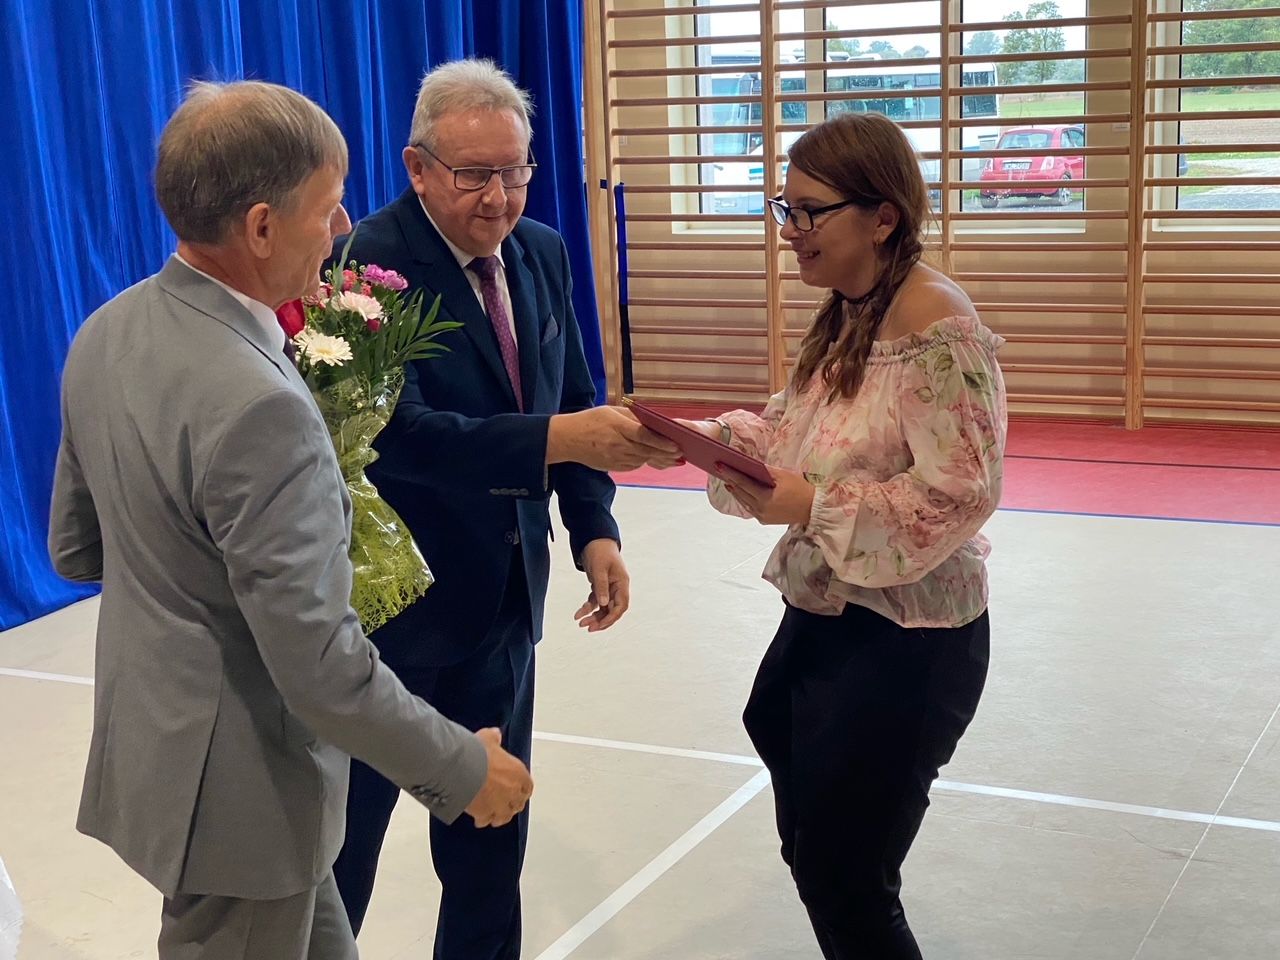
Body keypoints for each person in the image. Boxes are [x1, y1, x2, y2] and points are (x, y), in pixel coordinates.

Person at [47, 80, 533, 960]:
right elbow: (319, 666)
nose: (343, 227)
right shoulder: (262, 403)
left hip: (161, 753)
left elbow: (77, 548)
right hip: (244, 794)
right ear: (263, 227)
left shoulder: (106, 331)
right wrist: (462, 770)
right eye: (328, 205)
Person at [328, 59, 679, 958]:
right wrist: (560, 440)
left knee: (489, 850)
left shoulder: (543, 251)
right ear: (417, 168)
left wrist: (593, 529)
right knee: (342, 858)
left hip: (504, 606)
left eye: (515, 171)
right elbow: (399, 436)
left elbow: (573, 393)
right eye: (473, 174)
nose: (498, 197)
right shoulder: (364, 264)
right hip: (393, 614)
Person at [684, 112, 1007, 959]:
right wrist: (707, 438)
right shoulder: (850, 311)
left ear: (882, 217)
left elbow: (959, 496)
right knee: (814, 838)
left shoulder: (936, 324)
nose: (790, 230)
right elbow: (797, 431)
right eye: (783, 208)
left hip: (909, 639)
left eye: (808, 212)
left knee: (846, 877)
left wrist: (813, 504)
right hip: (836, 614)